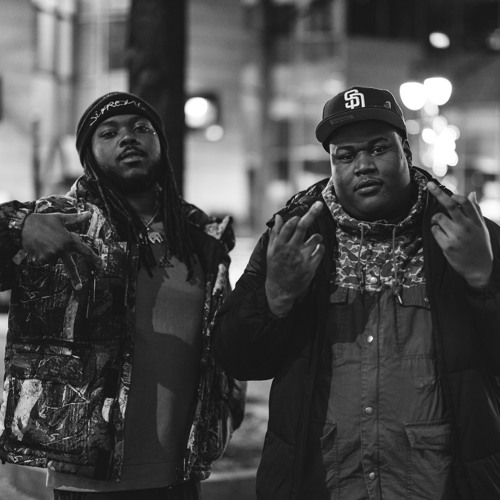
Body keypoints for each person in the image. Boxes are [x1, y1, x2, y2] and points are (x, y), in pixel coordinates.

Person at [212, 86, 500, 499]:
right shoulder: (293, 236)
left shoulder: (468, 232)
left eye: (378, 149)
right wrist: (276, 297)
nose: (363, 165)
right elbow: (236, 358)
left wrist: (483, 278)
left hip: (442, 484)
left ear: (406, 152)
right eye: (345, 156)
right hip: (324, 484)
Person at [0, 91, 246, 499]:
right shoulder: (59, 221)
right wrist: (17, 226)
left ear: (161, 144)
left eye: (141, 128)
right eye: (109, 132)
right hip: (86, 475)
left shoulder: (199, 236)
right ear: (89, 155)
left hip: (181, 470)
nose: (127, 137)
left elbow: (224, 345)